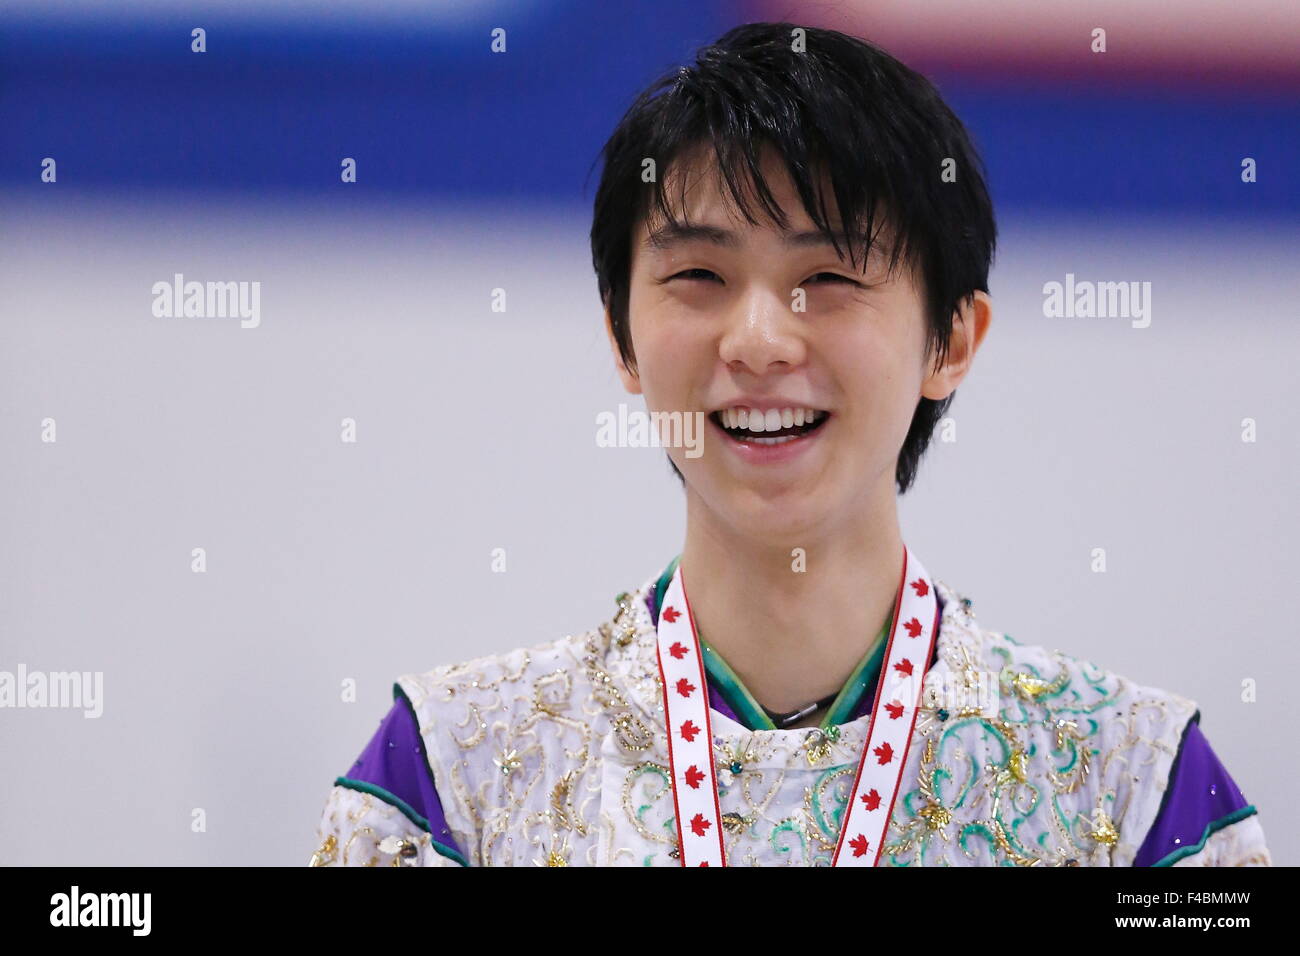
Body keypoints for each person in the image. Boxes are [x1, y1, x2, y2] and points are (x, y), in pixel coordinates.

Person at [308, 22, 1270, 867]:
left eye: (830, 276)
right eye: (698, 272)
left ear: (952, 341)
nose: (760, 340)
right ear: (621, 338)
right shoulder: (450, 781)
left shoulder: (1136, 793)